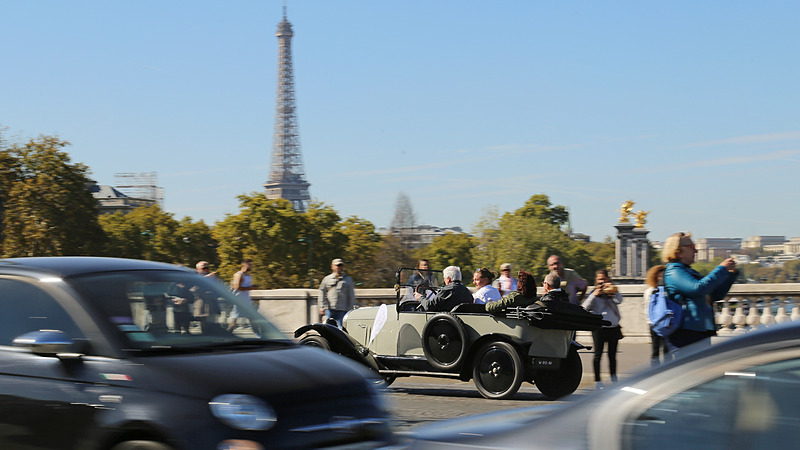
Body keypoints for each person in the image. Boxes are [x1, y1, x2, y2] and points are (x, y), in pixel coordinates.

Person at [663, 232, 737, 349]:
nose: (696, 251)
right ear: (678, 251)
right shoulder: (674, 271)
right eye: (692, 247)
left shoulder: (688, 271)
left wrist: (730, 275)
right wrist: (721, 269)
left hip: (700, 329)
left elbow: (715, 295)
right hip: (686, 331)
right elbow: (698, 288)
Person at [582, 269, 623, 389]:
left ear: (608, 279)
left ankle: (614, 379)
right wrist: (594, 295)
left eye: (604, 279)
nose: (602, 282)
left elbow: (620, 301)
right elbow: (584, 308)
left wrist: (613, 291)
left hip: (613, 327)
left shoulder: (612, 292)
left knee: (612, 355)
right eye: (600, 280)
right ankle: (598, 381)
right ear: (596, 280)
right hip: (599, 328)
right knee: (598, 354)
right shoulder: (593, 293)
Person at [318, 258, 356, 327]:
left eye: (340, 265)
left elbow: (351, 295)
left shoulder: (348, 279)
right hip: (329, 309)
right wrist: (321, 306)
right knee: (327, 327)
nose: (339, 267)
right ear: (332, 267)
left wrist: (351, 308)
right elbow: (322, 293)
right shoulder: (327, 279)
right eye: (337, 265)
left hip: (342, 308)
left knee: (341, 328)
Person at [644, 265, 670, 366]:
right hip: (655, 324)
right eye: (659, 276)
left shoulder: (668, 290)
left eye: (663, 276)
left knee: (667, 351)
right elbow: (648, 309)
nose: (661, 279)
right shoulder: (650, 291)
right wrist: (651, 322)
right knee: (655, 351)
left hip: (667, 323)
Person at [228, 259, 258, 332]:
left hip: (246, 300)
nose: (251, 267)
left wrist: (252, 287)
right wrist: (251, 288)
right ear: (243, 265)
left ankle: (259, 335)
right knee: (234, 321)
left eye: (252, 265)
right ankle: (227, 333)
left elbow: (246, 286)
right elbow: (236, 287)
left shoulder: (249, 275)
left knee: (252, 318)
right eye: (249, 265)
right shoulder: (238, 274)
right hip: (239, 300)